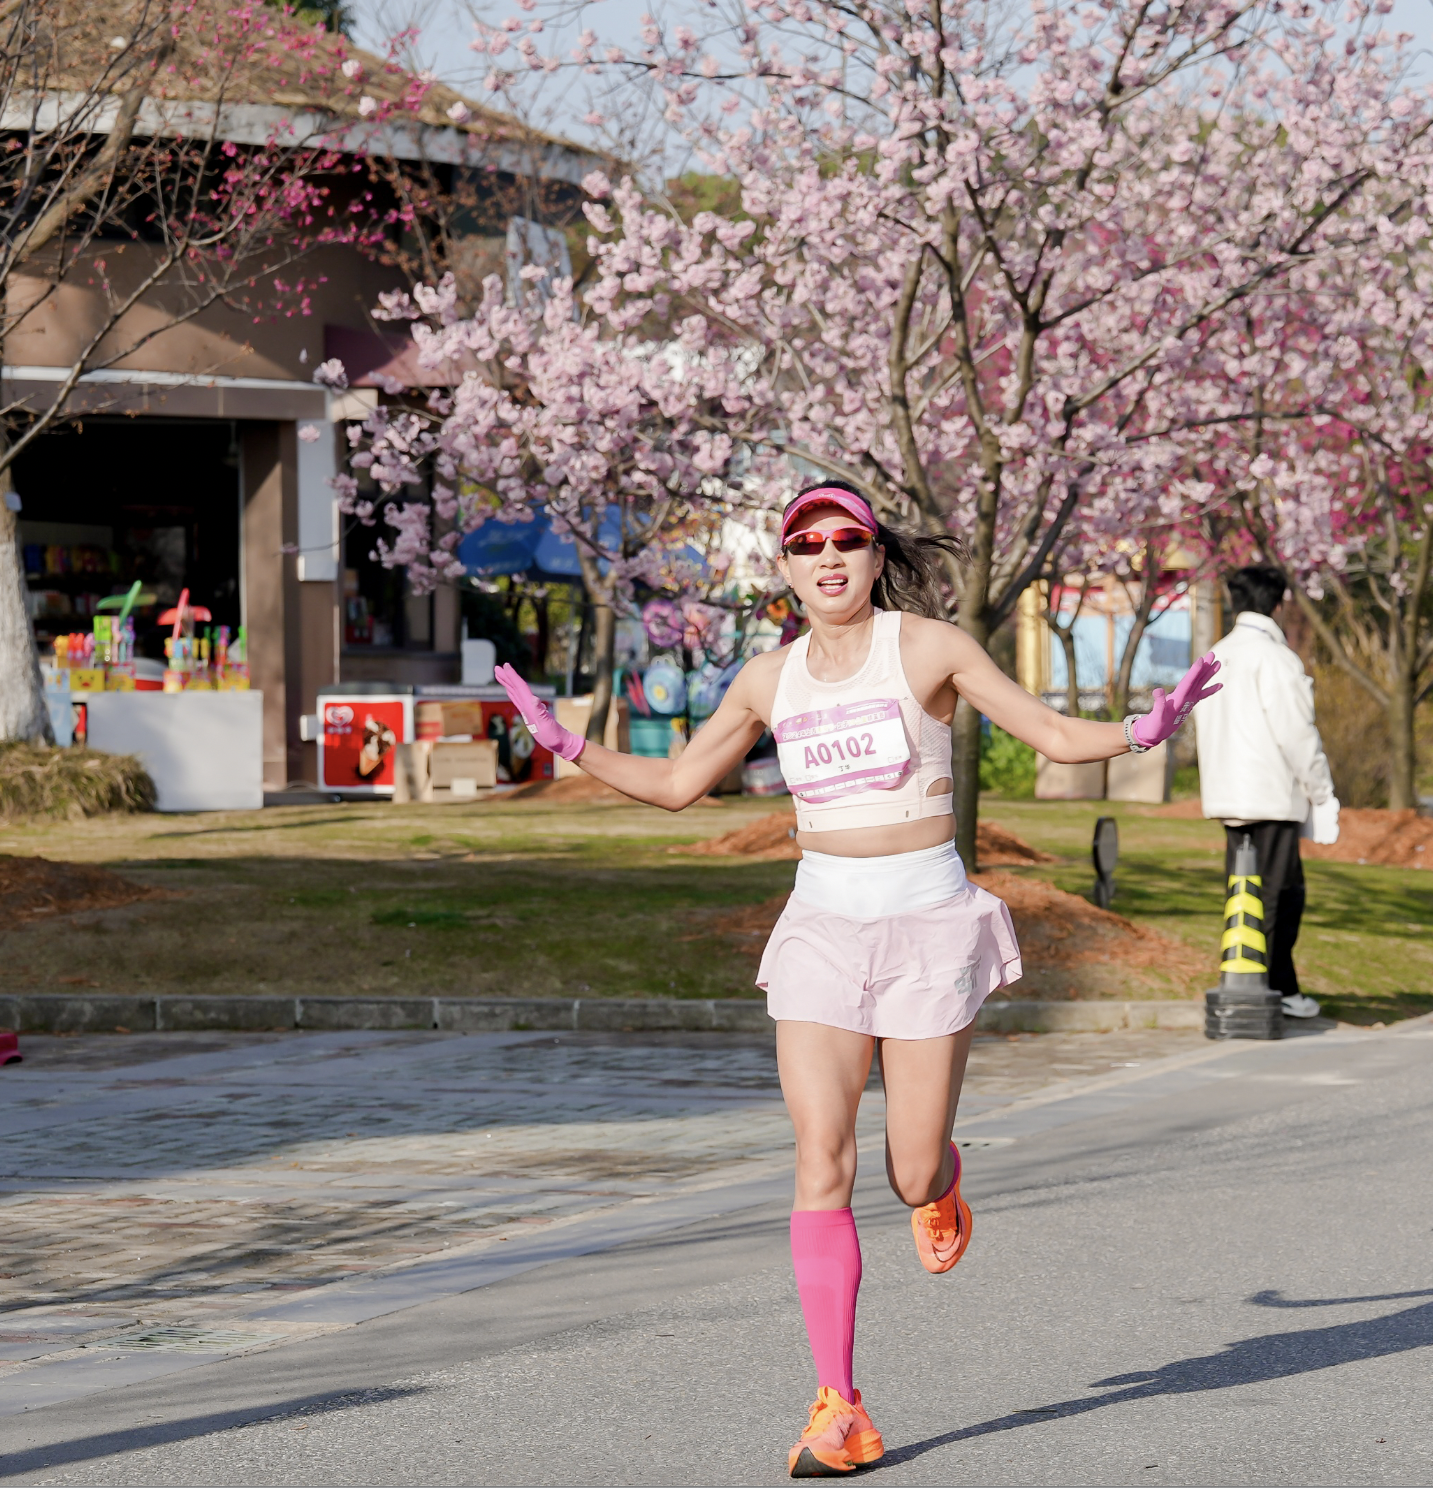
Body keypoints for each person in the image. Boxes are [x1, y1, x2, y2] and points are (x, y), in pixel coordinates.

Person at [492, 483, 1220, 1477]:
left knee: (907, 1168)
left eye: (847, 540)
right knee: (817, 1160)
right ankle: (839, 1407)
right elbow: (672, 786)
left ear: (876, 557)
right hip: (823, 929)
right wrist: (570, 746)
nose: (828, 556)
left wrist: (1141, 731)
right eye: (806, 544)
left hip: (925, 923)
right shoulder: (765, 679)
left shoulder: (927, 649)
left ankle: (942, 1183)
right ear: (784, 567)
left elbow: (1049, 735)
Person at [1193, 565, 1340, 1020]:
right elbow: (1297, 733)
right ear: (1278, 604)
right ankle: (1272, 988)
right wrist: (1322, 791)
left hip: (1226, 792)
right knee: (1281, 893)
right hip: (1271, 792)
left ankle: (1257, 984)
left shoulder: (1217, 653)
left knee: (1243, 891)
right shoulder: (1276, 658)